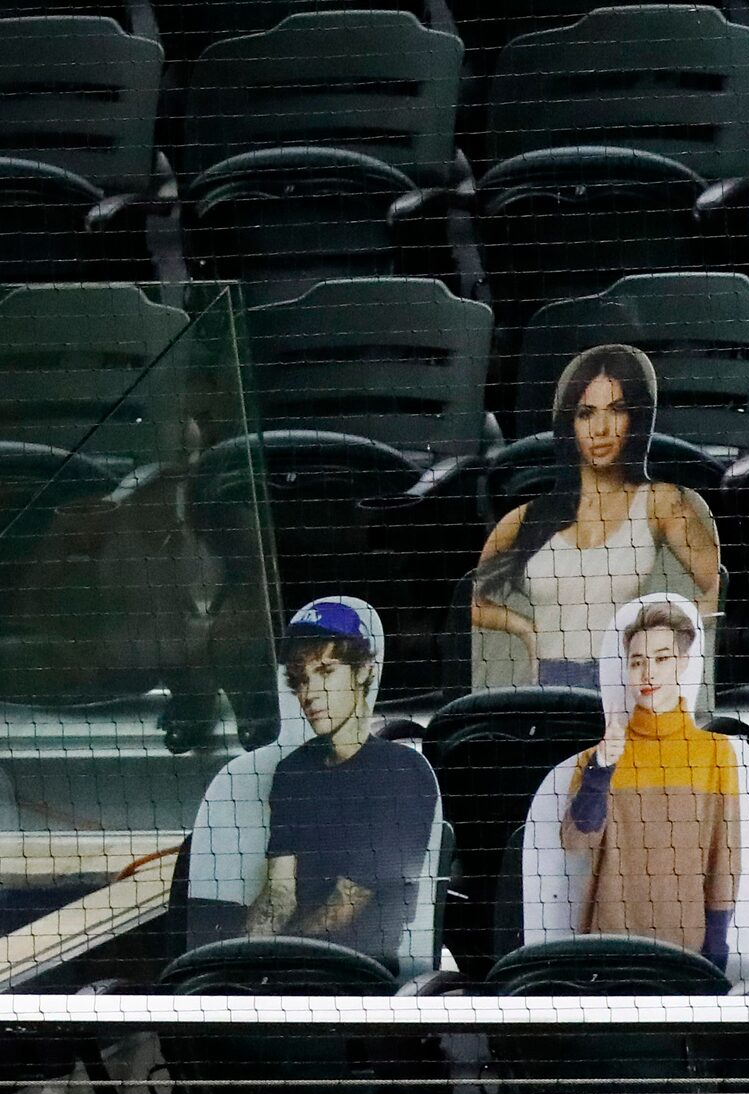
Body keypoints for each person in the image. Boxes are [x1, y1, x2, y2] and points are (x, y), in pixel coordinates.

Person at [185, 596, 440, 970]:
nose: (310, 694)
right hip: (291, 970)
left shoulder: (402, 772)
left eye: (325, 671)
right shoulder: (293, 772)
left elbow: (346, 907)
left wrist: (276, 961)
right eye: (301, 679)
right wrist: (243, 963)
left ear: (364, 670)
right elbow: (280, 892)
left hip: (359, 978)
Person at [530, 594, 749, 972]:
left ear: (684, 664)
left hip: (685, 957)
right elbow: (575, 839)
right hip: (607, 955)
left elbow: (724, 863)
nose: (648, 673)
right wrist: (601, 769)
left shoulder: (717, 754)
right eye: (637, 662)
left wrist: (716, 954)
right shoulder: (597, 758)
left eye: (661, 659)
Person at [471, 345, 722, 692]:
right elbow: (474, 602)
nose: (601, 429)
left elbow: (716, 588)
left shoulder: (660, 503)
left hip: (621, 684)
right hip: (546, 686)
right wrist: (523, 628)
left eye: (616, 410)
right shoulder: (528, 517)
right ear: (569, 423)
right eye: (587, 413)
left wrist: (658, 638)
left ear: (635, 417)